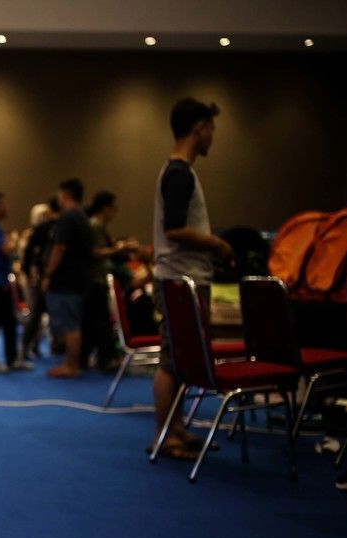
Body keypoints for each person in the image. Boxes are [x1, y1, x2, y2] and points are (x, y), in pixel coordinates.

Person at [149, 97, 233, 459]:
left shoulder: (180, 171)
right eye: (211, 128)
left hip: (182, 279)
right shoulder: (179, 172)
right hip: (178, 280)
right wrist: (216, 242)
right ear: (199, 128)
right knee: (172, 360)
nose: (213, 136)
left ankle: (177, 429)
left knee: (181, 359)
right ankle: (165, 436)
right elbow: (176, 229)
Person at [80, 190, 138, 371]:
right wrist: (119, 249)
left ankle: (89, 358)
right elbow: (95, 252)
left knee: (92, 322)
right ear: (105, 208)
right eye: (113, 208)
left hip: (94, 280)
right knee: (100, 321)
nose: (115, 211)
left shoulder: (96, 224)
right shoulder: (96, 225)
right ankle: (106, 360)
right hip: (94, 279)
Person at [43, 178, 94, 378]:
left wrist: (48, 273)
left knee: (69, 323)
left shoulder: (68, 217)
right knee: (72, 322)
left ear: (64, 195)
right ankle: (73, 362)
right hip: (78, 279)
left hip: (66, 281)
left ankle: (72, 365)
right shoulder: (81, 217)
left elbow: (60, 247)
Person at [0, 191, 33, 373]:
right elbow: (7, 248)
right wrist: (18, 239)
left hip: (0, 282)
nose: (6, 207)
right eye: (2, 204)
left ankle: (12, 359)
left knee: (9, 322)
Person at [21, 198, 60, 359]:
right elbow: (28, 256)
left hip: (56, 279)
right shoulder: (39, 230)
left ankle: (55, 346)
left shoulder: (59, 228)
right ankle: (27, 346)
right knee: (36, 314)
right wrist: (31, 274)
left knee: (53, 316)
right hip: (41, 279)